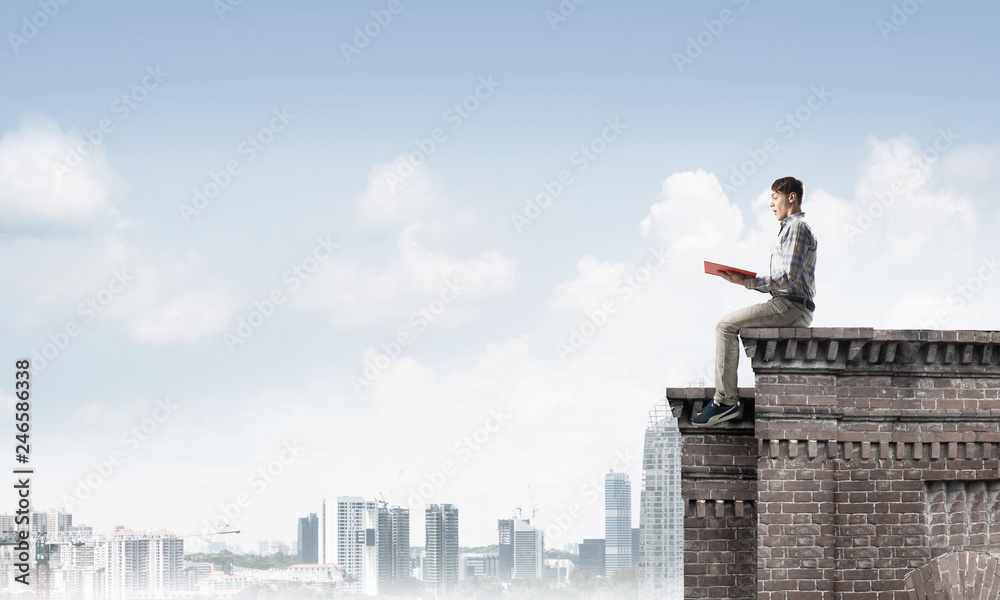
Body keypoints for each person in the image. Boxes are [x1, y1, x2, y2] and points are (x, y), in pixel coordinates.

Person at [692, 176, 817, 426]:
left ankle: (725, 402)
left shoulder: (797, 228)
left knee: (724, 326)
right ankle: (725, 400)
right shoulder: (789, 229)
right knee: (726, 324)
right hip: (789, 305)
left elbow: (788, 278)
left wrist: (746, 282)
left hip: (790, 305)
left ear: (791, 197)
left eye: (774, 197)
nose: (771, 203)